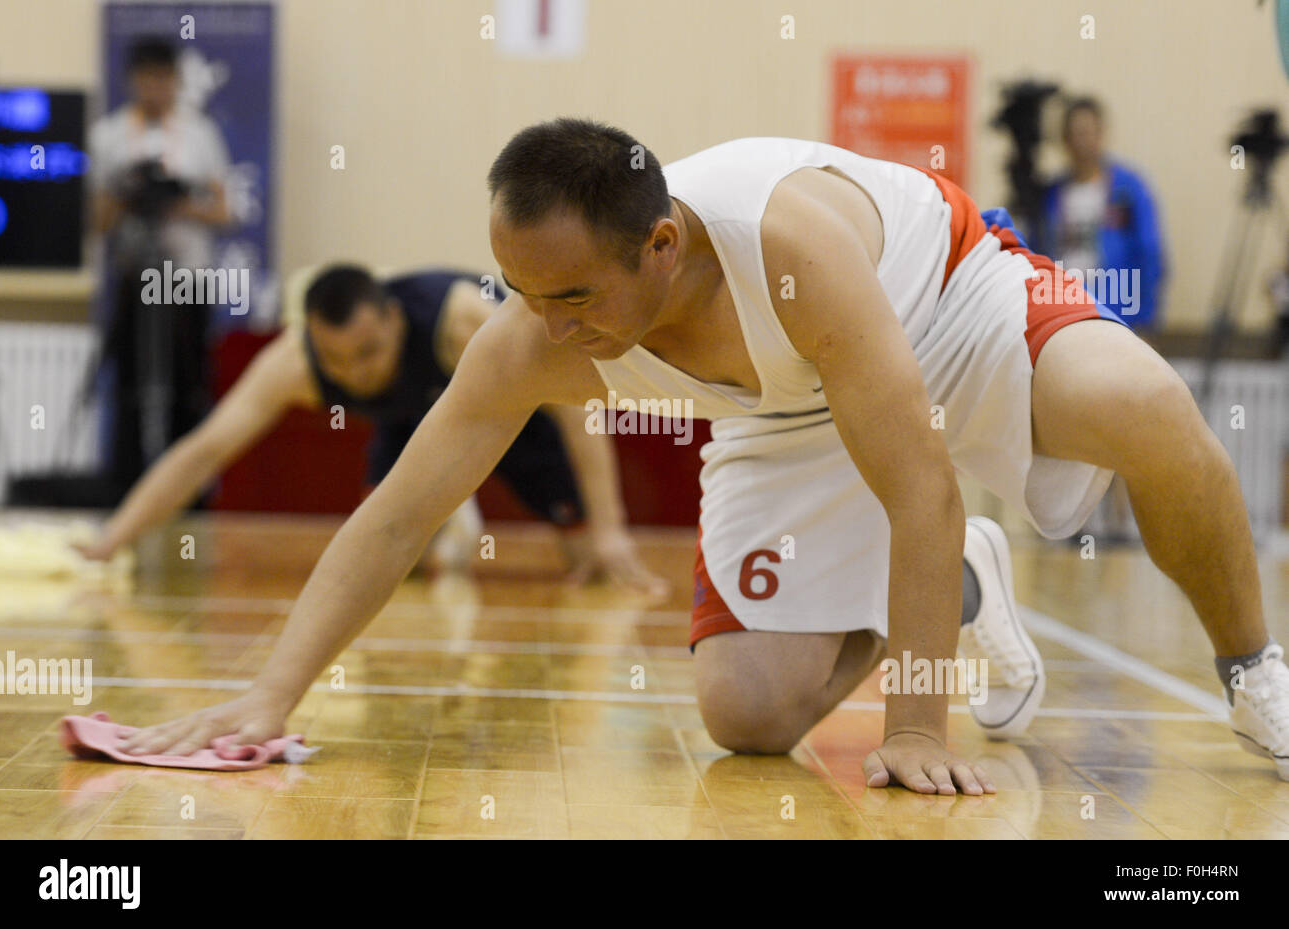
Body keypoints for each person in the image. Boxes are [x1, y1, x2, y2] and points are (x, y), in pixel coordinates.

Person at [119, 120, 1289, 794]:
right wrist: (270, 692)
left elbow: (921, 478)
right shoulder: (533, 329)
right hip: (778, 413)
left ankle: (1254, 674)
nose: (545, 323)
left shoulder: (789, 249)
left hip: (943, 304)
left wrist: (919, 727)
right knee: (745, 714)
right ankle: (962, 583)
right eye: (523, 291)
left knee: (1152, 409)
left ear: (664, 247)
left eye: (572, 293)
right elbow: (394, 511)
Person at [76, 263, 668, 596]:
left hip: (514, 409)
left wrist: (612, 528)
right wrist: (112, 540)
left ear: (392, 318)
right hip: (410, 423)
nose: (356, 375)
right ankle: (446, 521)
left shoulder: (463, 322)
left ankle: (457, 518)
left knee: (587, 561)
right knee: (391, 564)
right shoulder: (294, 363)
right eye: (338, 363)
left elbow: (576, 408)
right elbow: (205, 450)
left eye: (369, 353)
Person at [88, 35, 232, 494]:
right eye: (145, 79)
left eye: (163, 79)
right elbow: (98, 222)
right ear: (133, 80)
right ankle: (126, 491)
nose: (154, 88)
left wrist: (177, 202)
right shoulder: (108, 135)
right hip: (135, 273)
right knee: (129, 387)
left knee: (188, 387)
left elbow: (225, 212)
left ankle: (186, 493)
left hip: (187, 278)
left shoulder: (199, 133)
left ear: (175, 81)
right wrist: (123, 191)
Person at [1036, 96, 1167, 331]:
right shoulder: (1051, 194)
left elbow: (1149, 251)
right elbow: (1037, 252)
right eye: (1076, 134)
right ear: (1065, 140)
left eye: (1089, 132)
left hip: (1115, 311)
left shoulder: (1128, 189)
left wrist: (1146, 318)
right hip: (1062, 311)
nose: (1083, 142)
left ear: (1101, 133)